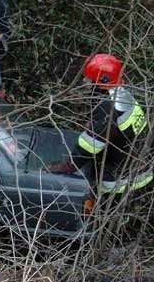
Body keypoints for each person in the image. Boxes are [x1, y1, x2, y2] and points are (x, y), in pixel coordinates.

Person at [48, 54, 152, 194]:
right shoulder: (120, 94)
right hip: (138, 168)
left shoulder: (107, 107)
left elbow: (90, 145)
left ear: (101, 81)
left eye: (88, 78)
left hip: (120, 182)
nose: (84, 81)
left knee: (94, 210)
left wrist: (67, 166)